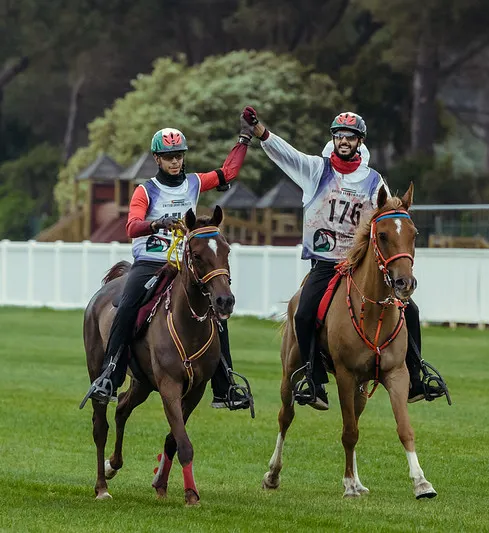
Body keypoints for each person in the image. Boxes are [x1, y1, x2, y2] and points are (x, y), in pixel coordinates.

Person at [243, 106, 447, 410]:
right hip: (325, 263)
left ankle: (418, 378)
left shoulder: (373, 180)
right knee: (303, 313)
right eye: (339, 135)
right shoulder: (316, 170)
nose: (344, 141)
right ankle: (313, 381)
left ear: (359, 142)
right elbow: (289, 156)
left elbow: (389, 215)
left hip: (358, 262)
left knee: (411, 311)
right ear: (333, 139)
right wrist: (261, 131)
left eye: (350, 137)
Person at [81, 113, 255, 411]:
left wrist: (244, 139)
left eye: (178, 156)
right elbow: (132, 226)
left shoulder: (193, 183)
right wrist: (157, 223)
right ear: (157, 159)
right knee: (126, 306)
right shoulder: (144, 190)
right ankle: (110, 374)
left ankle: (225, 384)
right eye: (168, 157)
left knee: (217, 310)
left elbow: (228, 172)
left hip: (183, 265)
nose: (175, 161)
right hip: (149, 263)